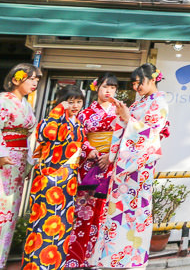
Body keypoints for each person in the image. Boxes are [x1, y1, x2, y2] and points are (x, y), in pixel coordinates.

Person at [91, 63, 171, 269]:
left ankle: (131, 257)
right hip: (124, 163)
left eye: (139, 82)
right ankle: (112, 256)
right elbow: (124, 124)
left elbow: (151, 134)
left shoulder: (159, 102)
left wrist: (128, 119)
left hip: (138, 165)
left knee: (135, 210)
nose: (136, 87)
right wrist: (123, 116)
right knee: (117, 209)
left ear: (153, 79)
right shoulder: (141, 103)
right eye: (134, 83)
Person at [23, 84, 86, 270]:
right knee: (45, 220)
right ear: (61, 102)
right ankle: (36, 265)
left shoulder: (77, 122)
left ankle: (55, 264)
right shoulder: (52, 119)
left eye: (79, 101)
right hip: (51, 176)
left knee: (63, 222)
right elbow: (46, 134)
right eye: (71, 102)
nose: (75, 106)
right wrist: (59, 111)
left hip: (69, 178)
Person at [66, 74, 120, 268]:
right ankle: (77, 256)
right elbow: (78, 136)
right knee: (83, 210)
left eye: (113, 88)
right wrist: (90, 150)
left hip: (111, 164)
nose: (109, 91)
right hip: (90, 163)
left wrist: (111, 155)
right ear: (96, 88)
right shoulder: (85, 113)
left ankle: (99, 258)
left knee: (106, 210)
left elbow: (126, 135)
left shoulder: (120, 112)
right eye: (105, 87)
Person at [0, 63, 41, 266]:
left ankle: (2, 259)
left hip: (18, 160)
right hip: (4, 160)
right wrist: (2, 154)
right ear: (17, 79)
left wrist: (29, 161)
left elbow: (27, 136)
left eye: (37, 80)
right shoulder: (3, 100)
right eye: (31, 79)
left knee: (11, 212)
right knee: (2, 208)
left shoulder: (26, 104)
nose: (34, 83)